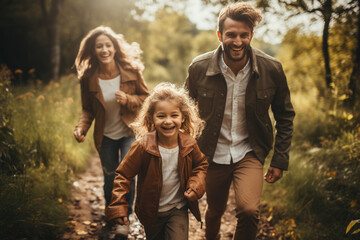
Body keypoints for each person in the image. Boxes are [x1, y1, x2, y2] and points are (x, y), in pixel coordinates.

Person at [185, 2, 295, 240]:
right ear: (219, 35)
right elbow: (185, 115)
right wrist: (183, 156)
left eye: (244, 35)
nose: (237, 41)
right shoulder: (199, 68)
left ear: (251, 36)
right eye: (231, 35)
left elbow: (285, 115)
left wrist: (279, 159)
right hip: (211, 153)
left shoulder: (271, 68)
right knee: (214, 211)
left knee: (249, 211)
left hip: (250, 151)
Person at [105, 82, 209, 240]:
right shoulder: (143, 146)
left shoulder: (189, 144)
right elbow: (123, 175)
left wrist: (196, 184)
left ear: (183, 117)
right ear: (151, 118)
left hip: (178, 209)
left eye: (174, 115)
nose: (168, 121)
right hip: (151, 212)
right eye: (161, 116)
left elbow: (201, 165)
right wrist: (119, 205)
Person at [73, 25, 149, 235]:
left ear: (115, 48)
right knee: (110, 177)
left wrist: (129, 99)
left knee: (126, 175)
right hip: (105, 136)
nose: (104, 50)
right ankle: (112, 212)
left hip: (129, 133)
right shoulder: (88, 77)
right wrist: (81, 128)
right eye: (100, 46)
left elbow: (147, 99)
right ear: (94, 49)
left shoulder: (131, 70)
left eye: (108, 45)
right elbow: (87, 109)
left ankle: (124, 220)